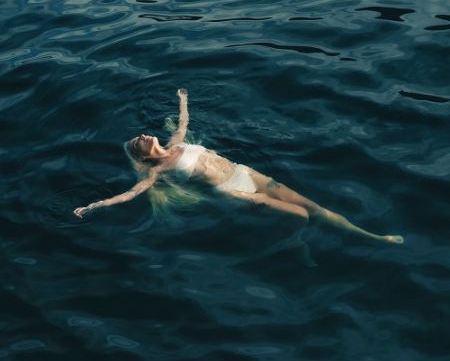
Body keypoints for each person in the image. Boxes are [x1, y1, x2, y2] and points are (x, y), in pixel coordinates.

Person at [74, 88, 404, 245]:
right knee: (300, 215)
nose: (144, 135)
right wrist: (95, 205)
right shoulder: (156, 171)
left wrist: (183, 100)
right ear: (144, 155)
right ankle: (296, 242)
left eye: (143, 135)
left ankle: (370, 236)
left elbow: (184, 122)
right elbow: (132, 193)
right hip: (234, 192)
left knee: (313, 207)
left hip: (247, 174)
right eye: (139, 141)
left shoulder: (175, 143)